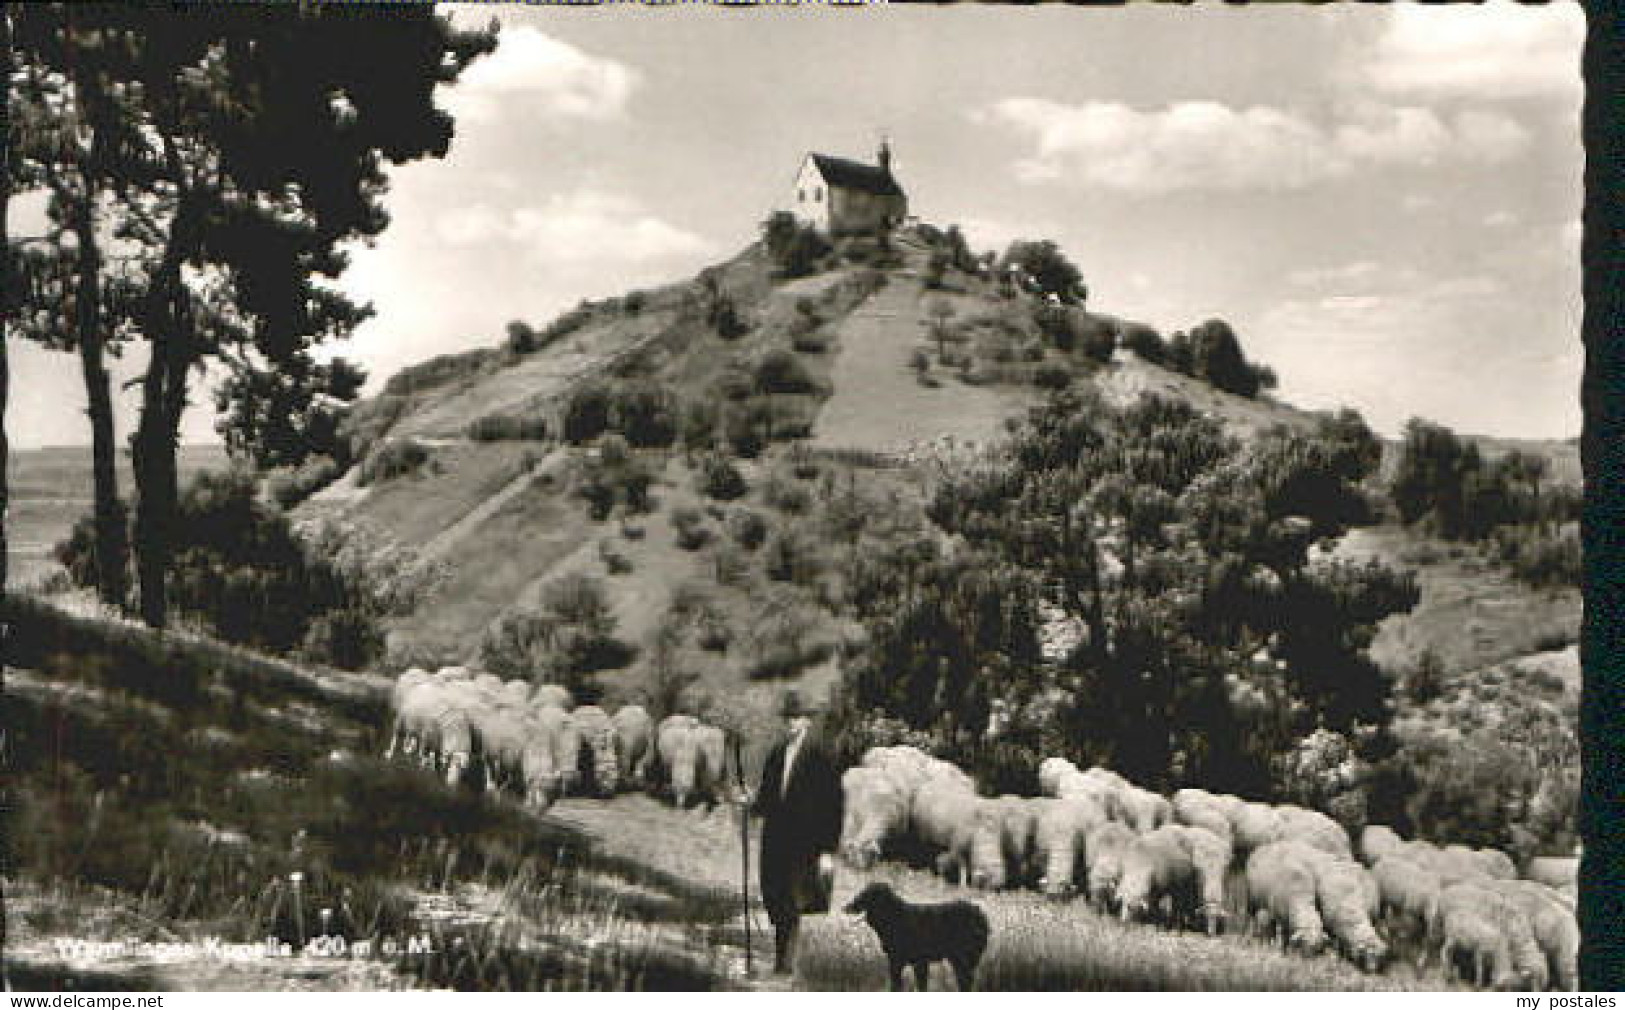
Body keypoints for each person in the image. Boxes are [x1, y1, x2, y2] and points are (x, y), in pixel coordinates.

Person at [748, 689, 844, 974]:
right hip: (776, 841)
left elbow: (834, 807)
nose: (791, 723)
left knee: (804, 902)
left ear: (806, 721)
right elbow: (766, 798)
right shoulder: (776, 753)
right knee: (777, 900)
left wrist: (828, 852)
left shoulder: (822, 755)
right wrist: (749, 804)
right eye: (787, 718)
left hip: (807, 844)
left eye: (797, 718)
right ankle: (781, 964)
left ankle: (803, 969)